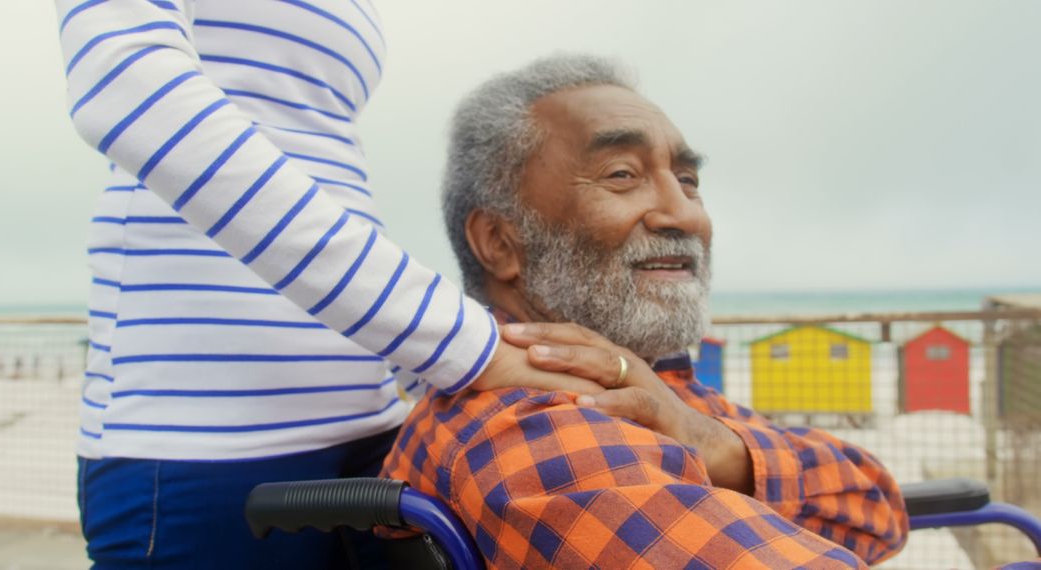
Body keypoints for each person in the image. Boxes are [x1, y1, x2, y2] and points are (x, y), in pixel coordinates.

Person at [54, 2, 607, 567]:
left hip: (373, 428)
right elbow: (130, 91)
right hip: (203, 441)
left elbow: (327, 169)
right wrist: (462, 345)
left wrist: (421, 368)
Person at [380, 54, 909, 568]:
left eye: (688, 180)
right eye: (621, 174)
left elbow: (881, 509)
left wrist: (710, 442)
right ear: (499, 242)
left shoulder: (651, 385)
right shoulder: (536, 428)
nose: (682, 213)